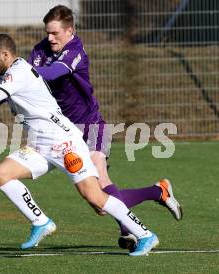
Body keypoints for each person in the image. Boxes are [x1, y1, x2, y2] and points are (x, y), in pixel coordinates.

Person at [0, 33, 159, 256]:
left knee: (95, 198)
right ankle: (41, 222)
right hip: (40, 146)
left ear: (5, 55)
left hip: (63, 143)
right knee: (2, 174)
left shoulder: (18, 72)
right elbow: (1, 98)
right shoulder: (14, 72)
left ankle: (145, 235)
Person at [27, 5, 182, 250]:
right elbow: (26, 81)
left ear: (70, 31)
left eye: (55, 33)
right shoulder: (40, 50)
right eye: (47, 32)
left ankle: (135, 230)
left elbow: (53, 72)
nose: (50, 38)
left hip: (90, 126)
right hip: (64, 131)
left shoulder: (75, 51)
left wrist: (25, 73)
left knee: (101, 187)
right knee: (99, 203)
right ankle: (157, 192)